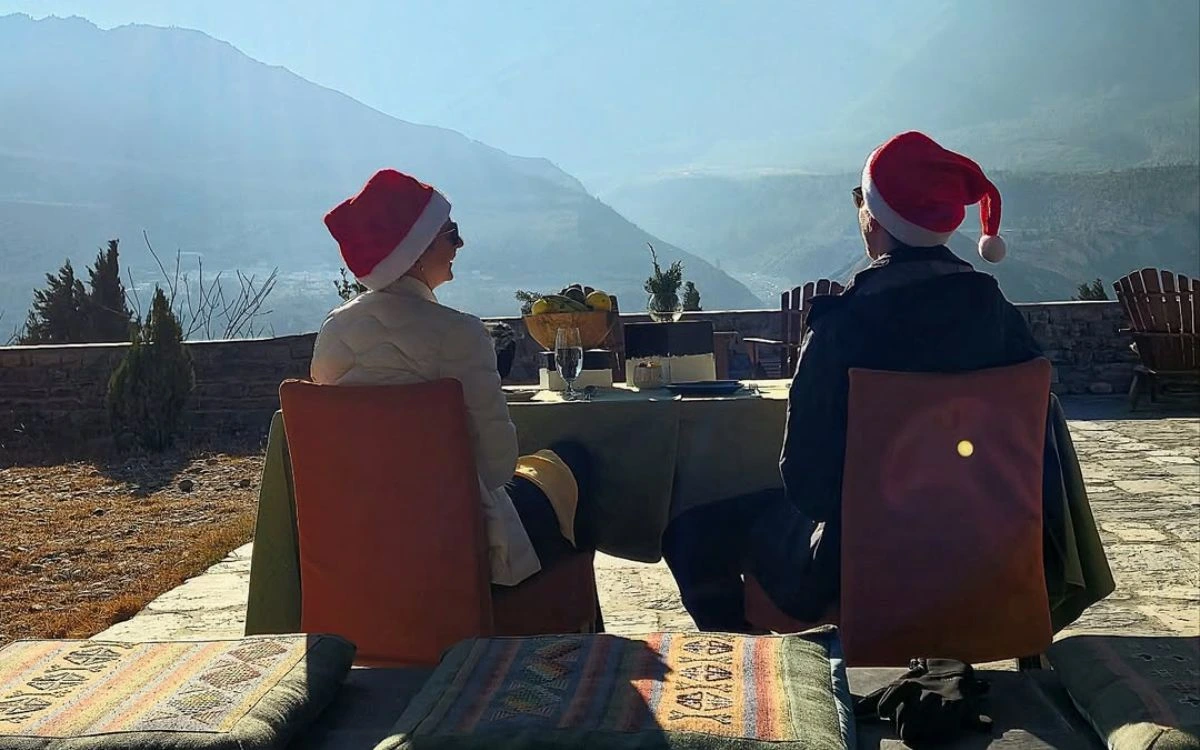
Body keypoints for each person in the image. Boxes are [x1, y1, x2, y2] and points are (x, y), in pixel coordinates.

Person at [665, 131, 1102, 630]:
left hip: (859, 560)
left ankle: (762, 681)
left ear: (873, 222)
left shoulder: (842, 325)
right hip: (990, 546)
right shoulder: (1000, 317)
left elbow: (809, 489)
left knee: (692, 534)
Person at [310, 168, 590, 588]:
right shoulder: (459, 334)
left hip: (362, 536)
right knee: (577, 463)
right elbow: (496, 468)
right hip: (455, 539)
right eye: (451, 233)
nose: (460, 243)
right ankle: (569, 632)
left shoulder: (333, 332)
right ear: (417, 251)